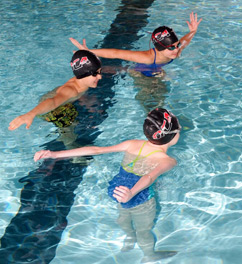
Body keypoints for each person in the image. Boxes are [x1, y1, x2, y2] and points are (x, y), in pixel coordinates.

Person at [34, 108, 181, 262]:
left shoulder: (133, 144)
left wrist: (55, 154)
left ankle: (130, 237)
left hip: (118, 190)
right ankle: (149, 255)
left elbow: (96, 150)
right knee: (144, 230)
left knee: (123, 218)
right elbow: (149, 177)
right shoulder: (168, 160)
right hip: (140, 197)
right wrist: (131, 193)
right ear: (173, 136)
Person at [70, 12, 202, 77]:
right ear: (159, 48)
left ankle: (117, 69)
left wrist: (193, 31)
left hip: (156, 69)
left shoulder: (176, 49)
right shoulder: (146, 57)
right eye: (171, 47)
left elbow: (184, 40)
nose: (176, 49)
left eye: (176, 45)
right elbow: (117, 53)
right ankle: (116, 69)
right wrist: (89, 51)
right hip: (143, 73)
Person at [8, 50, 102, 131]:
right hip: (49, 110)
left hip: (58, 99)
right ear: (82, 74)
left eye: (99, 72)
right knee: (69, 127)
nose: (100, 76)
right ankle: (69, 143)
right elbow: (53, 102)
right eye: (95, 74)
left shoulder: (82, 81)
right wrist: (30, 114)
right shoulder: (71, 90)